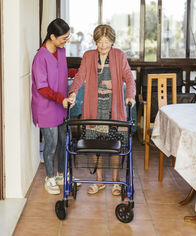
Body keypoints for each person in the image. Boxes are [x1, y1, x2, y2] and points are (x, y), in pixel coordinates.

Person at [68, 24, 136, 195]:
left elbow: (128, 76)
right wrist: (73, 93)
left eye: (106, 41)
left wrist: (130, 95)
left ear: (112, 41)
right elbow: (80, 75)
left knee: (115, 144)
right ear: (96, 42)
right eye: (99, 41)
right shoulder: (89, 56)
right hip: (94, 108)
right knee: (94, 144)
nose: (103, 45)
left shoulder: (119, 55)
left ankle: (114, 181)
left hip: (113, 109)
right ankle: (99, 180)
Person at [31, 18, 71, 195]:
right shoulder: (40, 57)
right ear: (52, 36)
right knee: (51, 144)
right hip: (46, 106)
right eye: (64, 38)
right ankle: (50, 177)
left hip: (61, 105)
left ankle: (61, 174)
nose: (66, 41)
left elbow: (62, 74)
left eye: (68, 37)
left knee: (63, 141)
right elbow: (42, 87)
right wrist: (59, 98)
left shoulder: (61, 52)